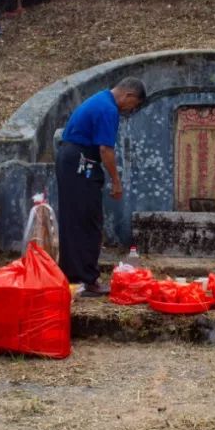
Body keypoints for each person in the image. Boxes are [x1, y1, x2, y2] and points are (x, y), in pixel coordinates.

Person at [55, 77, 146, 296]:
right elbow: (106, 149)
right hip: (80, 163)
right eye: (132, 105)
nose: (129, 110)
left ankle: (74, 276)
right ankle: (87, 279)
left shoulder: (101, 99)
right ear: (128, 95)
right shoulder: (108, 109)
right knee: (88, 220)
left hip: (72, 160)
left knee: (75, 220)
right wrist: (116, 180)